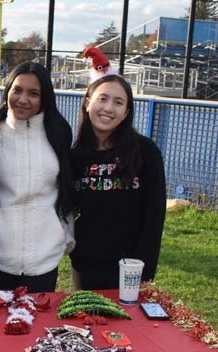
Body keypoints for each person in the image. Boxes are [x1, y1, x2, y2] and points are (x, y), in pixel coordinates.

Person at [70, 73, 166, 290]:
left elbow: (155, 213)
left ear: (126, 113)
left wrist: (145, 268)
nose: (109, 108)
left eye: (118, 102)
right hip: (86, 265)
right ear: (87, 103)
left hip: (130, 266)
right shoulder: (75, 155)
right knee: (87, 321)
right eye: (102, 99)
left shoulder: (145, 151)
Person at [0, 61, 75, 292]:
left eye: (33, 93)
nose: (23, 99)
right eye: (17, 90)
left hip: (45, 259)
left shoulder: (59, 133)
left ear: (44, 97)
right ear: (7, 92)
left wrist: (64, 235)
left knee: (36, 324)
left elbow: (65, 188)